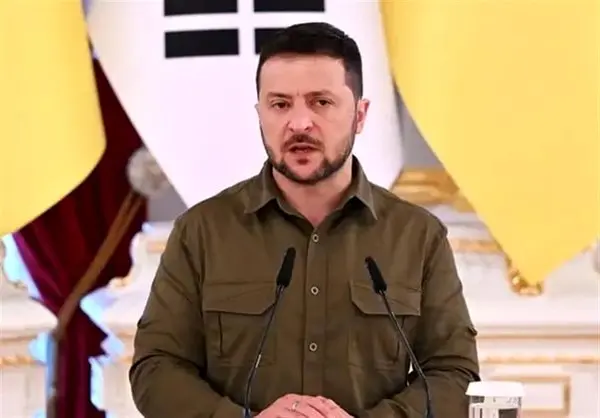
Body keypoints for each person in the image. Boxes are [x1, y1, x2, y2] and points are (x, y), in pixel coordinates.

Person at [129, 22, 480, 418]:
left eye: (321, 102)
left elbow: (456, 374)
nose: (299, 123)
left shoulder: (417, 236)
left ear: (360, 115)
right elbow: (155, 369)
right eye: (280, 104)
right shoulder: (202, 231)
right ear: (260, 114)